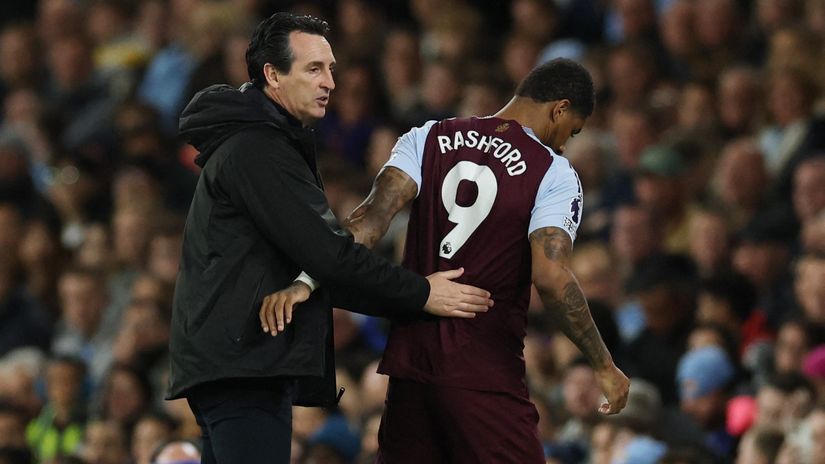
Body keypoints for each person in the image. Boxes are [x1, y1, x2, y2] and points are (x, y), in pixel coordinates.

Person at [166, 12, 493, 464]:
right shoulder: (259, 149)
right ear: (273, 76)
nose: (330, 83)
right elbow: (331, 256)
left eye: (331, 68)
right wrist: (421, 293)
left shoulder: (258, 143)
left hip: (236, 362)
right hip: (246, 363)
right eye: (314, 69)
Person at [281, 58, 629, 462]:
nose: (565, 143)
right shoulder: (553, 172)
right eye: (573, 130)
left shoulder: (428, 136)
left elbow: (367, 221)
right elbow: (551, 277)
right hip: (482, 369)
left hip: (412, 365)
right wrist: (604, 364)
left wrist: (308, 279)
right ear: (559, 109)